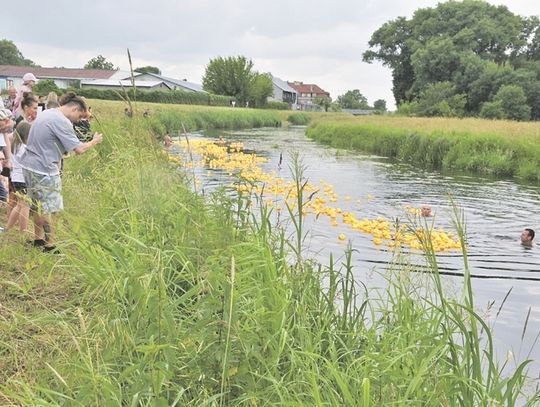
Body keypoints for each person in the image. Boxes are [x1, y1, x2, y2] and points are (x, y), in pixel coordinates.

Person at [19, 92, 103, 251]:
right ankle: (50, 245)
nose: (78, 120)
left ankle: (38, 240)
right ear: (75, 109)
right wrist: (94, 141)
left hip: (28, 166)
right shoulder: (62, 121)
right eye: (79, 117)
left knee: (37, 205)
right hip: (44, 169)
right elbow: (78, 149)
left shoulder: (47, 113)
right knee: (52, 209)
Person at [5, 122, 31, 233]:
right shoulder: (23, 148)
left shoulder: (16, 145)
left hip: (16, 178)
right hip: (23, 179)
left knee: (20, 205)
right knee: (25, 206)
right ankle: (23, 232)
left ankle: (7, 228)